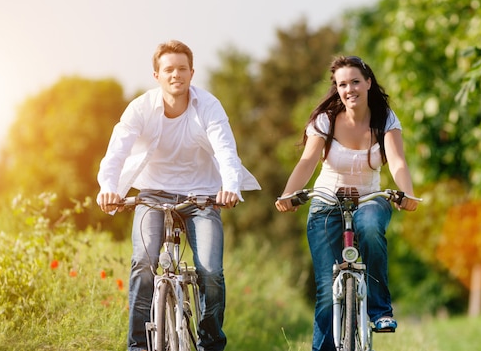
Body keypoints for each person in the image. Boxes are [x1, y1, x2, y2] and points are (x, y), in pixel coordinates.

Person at [97, 39, 260, 351]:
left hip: (201, 196)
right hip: (152, 195)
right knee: (143, 262)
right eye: (168, 69)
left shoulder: (208, 106)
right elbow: (117, 151)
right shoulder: (142, 108)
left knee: (211, 272)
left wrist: (230, 187)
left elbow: (225, 148)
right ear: (157, 75)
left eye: (182, 69)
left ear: (192, 73)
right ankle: (138, 346)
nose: (176, 75)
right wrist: (108, 188)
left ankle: (210, 342)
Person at [274, 55, 419, 351]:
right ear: (336, 88)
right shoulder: (325, 121)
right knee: (328, 291)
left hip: (370, 198)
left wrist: (407, 193)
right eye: (342, 84)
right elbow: (307, 161)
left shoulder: (384, 119)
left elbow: (398, 162)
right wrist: (288, 195)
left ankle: (380, 311)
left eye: (355, 81)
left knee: (369, 227)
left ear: (368, 82)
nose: (349, 89)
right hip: (327, 201)